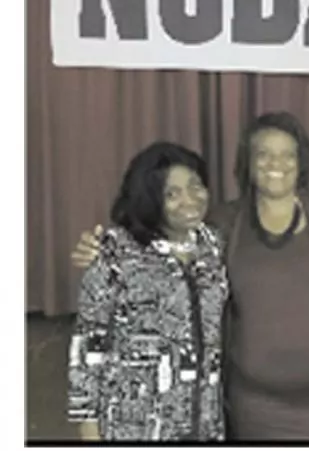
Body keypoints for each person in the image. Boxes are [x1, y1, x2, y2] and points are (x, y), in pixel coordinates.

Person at [70, 112, 309, 440]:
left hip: (301, 409)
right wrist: (99, 247)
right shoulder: (217, 227)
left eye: (288, 154)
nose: (277, 163)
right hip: (219, 411)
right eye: (264, 154)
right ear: (248, 162)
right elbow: (89, 343)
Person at [67, 142, 229, 441]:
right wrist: (87, 422)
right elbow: (88, 342)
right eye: (172, 194)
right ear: (150, 200)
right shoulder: (116, 251)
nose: (190, 200)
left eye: (195, 186)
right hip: (134, 425)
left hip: (203, 420)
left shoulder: (213, 245)